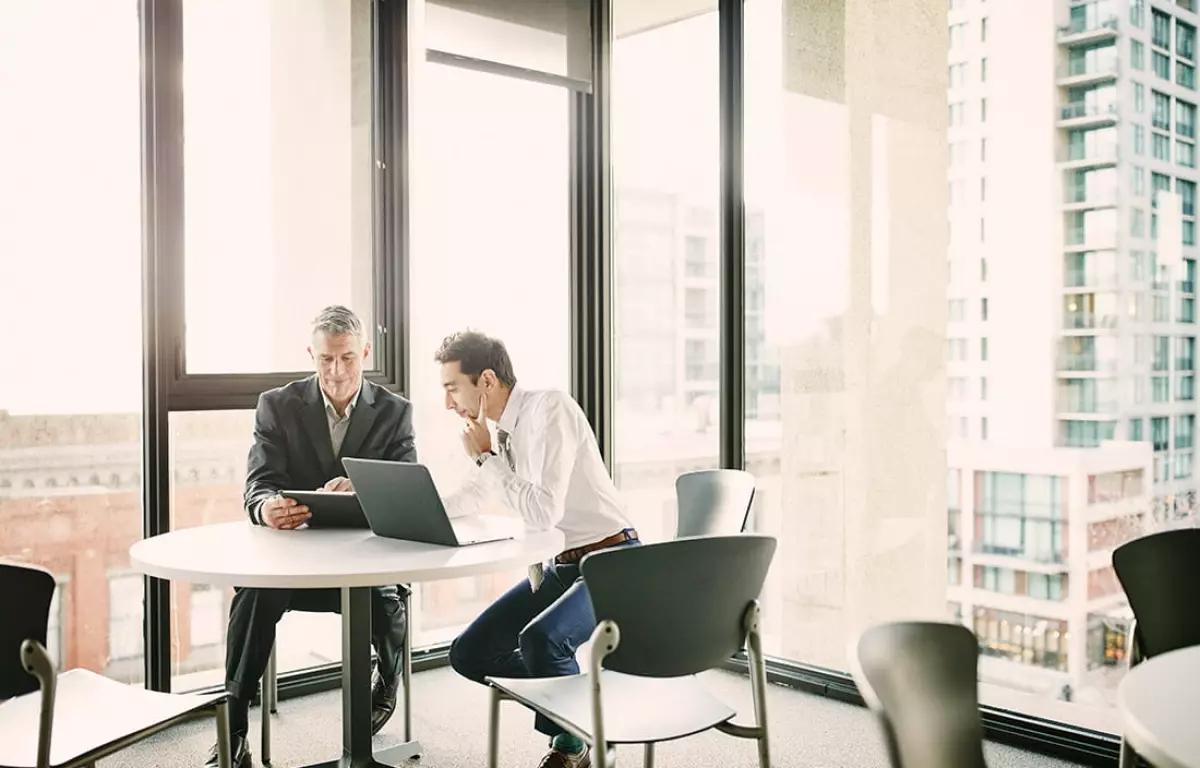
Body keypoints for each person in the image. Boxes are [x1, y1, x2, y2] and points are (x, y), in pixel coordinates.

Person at [203, 306, 416, 768]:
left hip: (364, 564)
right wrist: (266, 509)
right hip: (294, 566)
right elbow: (257, 483)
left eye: (346, 360)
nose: (336, 373)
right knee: (253, 595)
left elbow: (407, 488)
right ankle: (233, 728)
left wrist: (364, 487)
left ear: (365, 353)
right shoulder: (277, 405)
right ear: (311, 355)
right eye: (324, 361)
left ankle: (387, 683)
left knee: (386, 600)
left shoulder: (395, 413)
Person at [437, 330, 638, 768]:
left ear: (486, 380)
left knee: (542, 642)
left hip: (613, 562)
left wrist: (484, 459)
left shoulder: (551, 409)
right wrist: (420, 508)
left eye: (453, 388)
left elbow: (544, 511)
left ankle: (574, 745)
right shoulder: (501, 434)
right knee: (468, 654)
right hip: (561, 566)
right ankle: (581, 702)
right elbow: (474, 495)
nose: (449, 404)